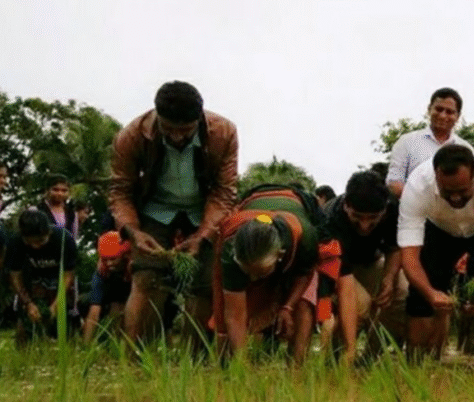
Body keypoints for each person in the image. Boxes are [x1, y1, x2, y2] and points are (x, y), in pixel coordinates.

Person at [108, 81, 238, 349]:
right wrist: (133, 232)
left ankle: (195, 358)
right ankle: (136, 358)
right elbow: (120, 191)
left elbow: (224, 192)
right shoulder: (131, 136)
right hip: (154, 209)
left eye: (186, 131)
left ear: (199, 119)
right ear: (157, 118)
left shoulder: (224, 133)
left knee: (204, 282)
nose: (177, 137)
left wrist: (203, 236)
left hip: (204, 212)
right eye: (169, 130)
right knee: (147, 277)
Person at [397, 144, 474, 363]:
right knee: (419, 297)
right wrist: (429, 292)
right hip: (438, 229)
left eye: (463, 191)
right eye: (448, 192)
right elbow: (409, 256)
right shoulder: (417, 187)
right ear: (436, 179)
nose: (455, 199)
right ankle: (416, 366)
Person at [211, 186, 344, 365]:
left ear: (280, 255)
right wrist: (240, 367)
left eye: (259, 272)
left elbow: (304, 275)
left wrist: (287, 307)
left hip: (297, 227)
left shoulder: (306, 237)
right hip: (254, 202)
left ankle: (296, 368)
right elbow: (234, 315)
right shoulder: (231, 250)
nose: (252, 279)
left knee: (304, 306)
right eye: (247, 271)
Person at [324, 170, 406, 359]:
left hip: (371, 261)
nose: (364, 225)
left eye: (372, 218)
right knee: (359, 305)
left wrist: (389, 278)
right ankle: (337, 358)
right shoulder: (330, 219)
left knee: (401, 293)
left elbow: (394, 248)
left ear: (384, 209)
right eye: (358, 217)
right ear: (346, 206)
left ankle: (371, 357)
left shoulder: (394, 208)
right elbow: (344, 283)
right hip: (335, 267)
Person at [7, 210, 79, 346]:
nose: (36, 246)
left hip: (58, 279)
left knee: (64, 319)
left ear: (48, 232)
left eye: (40, 241)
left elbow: (69, 274)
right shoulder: (15, 242)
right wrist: (28, 303)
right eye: (30, 242)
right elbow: (14, 275)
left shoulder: (64, 239)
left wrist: (57, 304)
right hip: (31, 278)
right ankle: (24, 354)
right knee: (25, 319)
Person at [386, 88, 472, 197]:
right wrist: (421, 203)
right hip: (413, 212)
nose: (442, 115)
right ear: (429, 109)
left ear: (458, 116)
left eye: (449, 112)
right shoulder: (406, 142)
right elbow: (394, 183)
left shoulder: (466, 149)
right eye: (439, 109)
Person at [83, 231, 132, 342]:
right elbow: (94, 310)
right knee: (89, 303)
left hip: (130, 288)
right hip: (112, 291)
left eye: (113, 259)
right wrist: (85, 345)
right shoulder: (101, 272)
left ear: (124, 255)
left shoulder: (133, 266)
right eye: (105, 259)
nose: (109, 263)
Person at [36, 173, 79, 240]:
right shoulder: (37, 210)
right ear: (47, 190)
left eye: (64, 190)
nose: (60, 193)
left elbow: (73, 238)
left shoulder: (72, 214)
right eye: (55, 190)